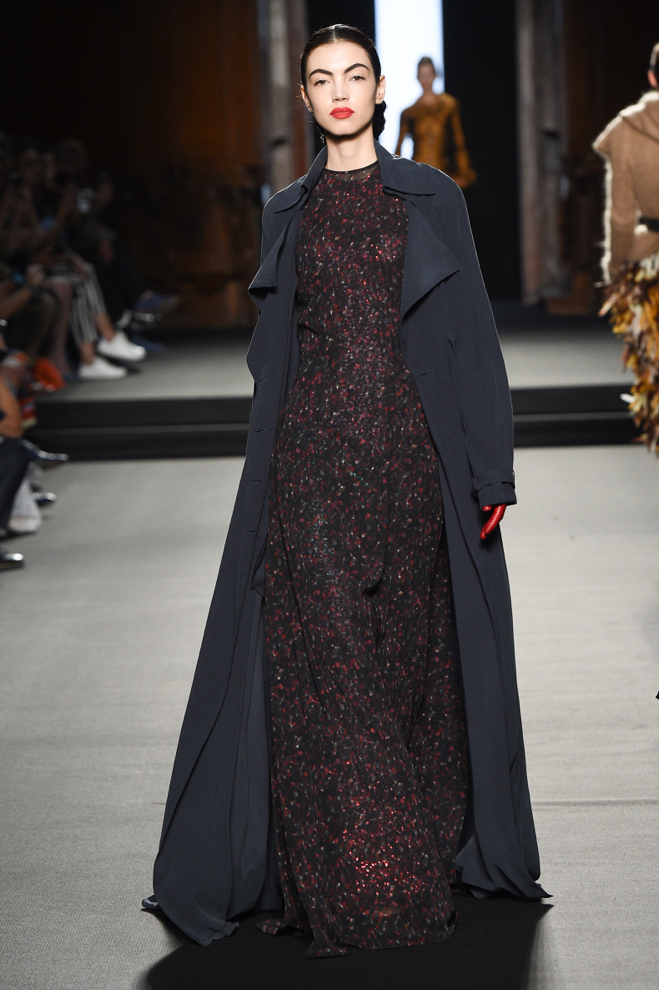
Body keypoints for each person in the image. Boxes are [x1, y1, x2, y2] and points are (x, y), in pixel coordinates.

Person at [145, 24, 546, 958]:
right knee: (328, 668)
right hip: (311, 463)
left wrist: (489, 465)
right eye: (321, 78)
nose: (338, 91)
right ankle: (369, 875)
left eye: (354, 75)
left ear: (378, 90)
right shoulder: (286, 211)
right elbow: (275, 355)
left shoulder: (432, 196)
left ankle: (419, 839)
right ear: (303, 97)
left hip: (411, 461)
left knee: (411, 662)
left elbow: (471, 334)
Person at [595, 42, 659, 452]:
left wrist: (615, 265)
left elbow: (621, 217)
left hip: (650, 262)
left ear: (652, 76)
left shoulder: (629, 129)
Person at [394, 57, 476, 189]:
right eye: (422, 75)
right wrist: (397, 177)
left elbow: (459, 141)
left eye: (429, 75)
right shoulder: (410, 113)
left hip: (443, 173)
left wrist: (464, 172)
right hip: (418, 176)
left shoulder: (449, 107)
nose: (426, 79)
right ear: (417, 77)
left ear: (435, 75)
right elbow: (398, 148)